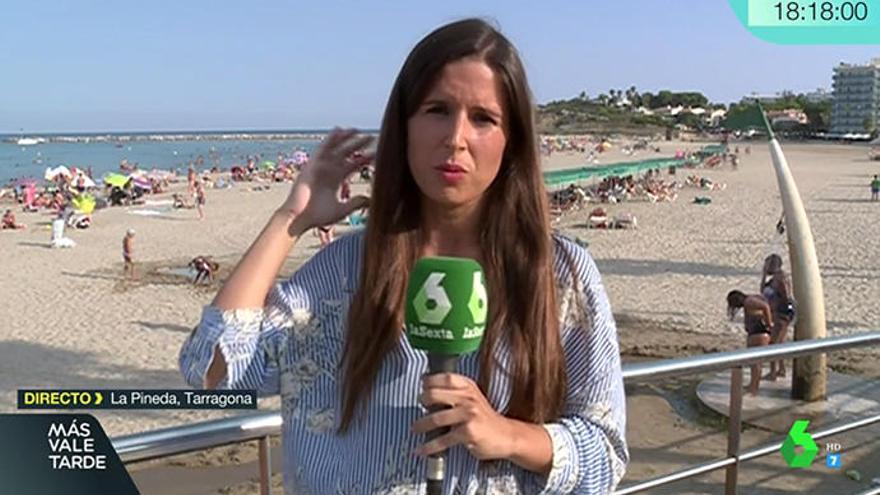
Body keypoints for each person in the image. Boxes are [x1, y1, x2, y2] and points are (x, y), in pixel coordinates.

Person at [179, 19, 627, 494]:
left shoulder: (560, 275)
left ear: (511, 140)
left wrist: (509, 436)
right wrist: (291, 219)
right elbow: (212, 369)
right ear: (404, 127)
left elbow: (606, 453)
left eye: (483, 118)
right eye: (437, 110)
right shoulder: (348, 269)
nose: (455, 138)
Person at [727, 290, 774, 395]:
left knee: (755, 363)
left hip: (759, 333)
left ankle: (754, 387)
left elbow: (765, 306)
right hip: (757, 332)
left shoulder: (749, 301)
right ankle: (753, 385)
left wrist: (769, 323)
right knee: (755, 362)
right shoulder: (750, 301)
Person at [760, 254, 795, 380]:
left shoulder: (780, 279)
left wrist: (784, 313)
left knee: (773, 344)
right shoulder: (775, 278)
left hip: (781, 314)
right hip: (778, 313)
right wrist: (763, 275)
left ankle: (773, 372)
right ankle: (781, 369)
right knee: (780, 343)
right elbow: (762, 290)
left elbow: (787, 298)